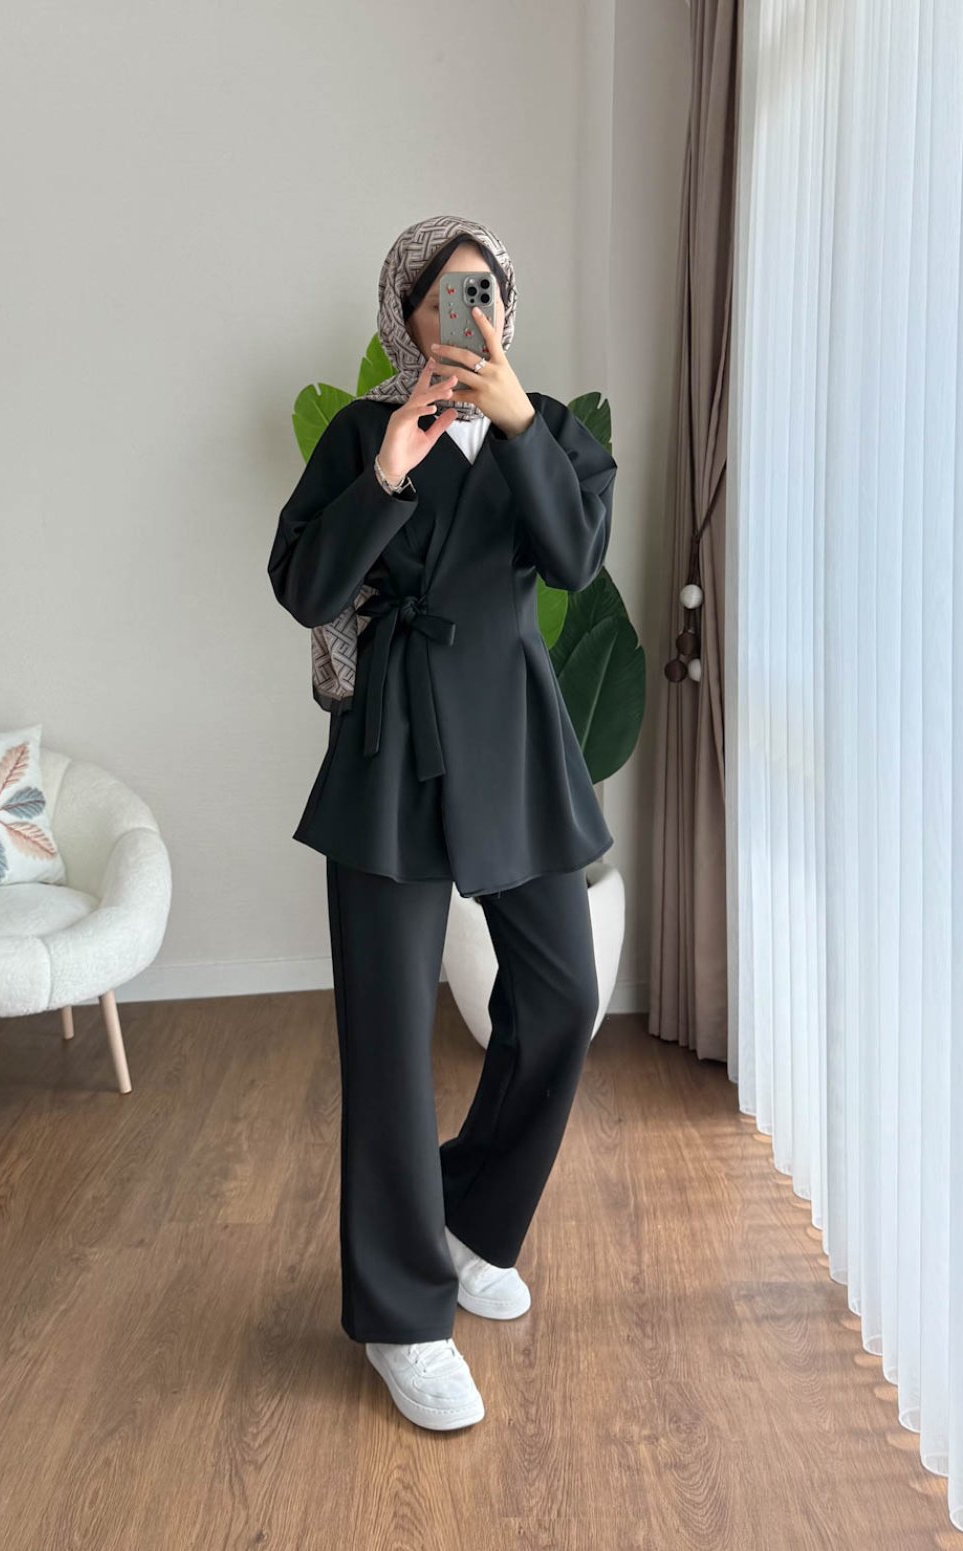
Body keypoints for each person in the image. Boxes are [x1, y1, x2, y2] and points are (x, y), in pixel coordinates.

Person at [267, 214, 618, 1432]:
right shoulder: (362, 434)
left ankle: (470, 1220)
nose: (468, 316)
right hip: (392, 746)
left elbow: (572, 561)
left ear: (505, 309)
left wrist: (514, 425)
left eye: (485, 293)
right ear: (405, 319)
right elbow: (306, 589)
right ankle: (402, 1318)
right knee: (385, 1044)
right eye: (441, 298)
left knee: (563, 997)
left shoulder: (553, 430)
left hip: (513, 739)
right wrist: (387, 471)